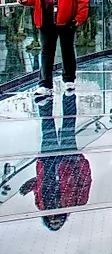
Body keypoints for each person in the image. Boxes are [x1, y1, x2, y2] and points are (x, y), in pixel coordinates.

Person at [17, 0, 90, 96]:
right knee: (46, 52)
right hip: (45, 20)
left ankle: (69, 80)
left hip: (67, 20)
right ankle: (45, 85)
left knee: (67, 50)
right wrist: (25, 0)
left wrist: (79, 18)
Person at [19, 93, 91, 231]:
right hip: (69, 161)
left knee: (47, 130)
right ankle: (69, 94)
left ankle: (45, 101)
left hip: (47, 164)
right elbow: (85, 181)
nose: (54, 219)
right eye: (58, 222)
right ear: (63, 220)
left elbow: (42, 186)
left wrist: (30, 186)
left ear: (45, 220)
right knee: (68, 126)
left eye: (52, 222)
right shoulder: (77, 203)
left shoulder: (41, 205)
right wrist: (80, 161)